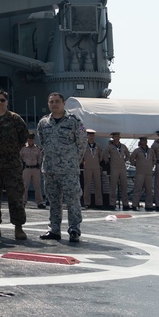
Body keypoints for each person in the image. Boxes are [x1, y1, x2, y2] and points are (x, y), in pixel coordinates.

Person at [37, 92, 87, 242]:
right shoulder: (43, 123)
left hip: (68, 170)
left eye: (57, 101)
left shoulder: (75, 121)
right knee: (53, 201)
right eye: (51, 102)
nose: (54, 104)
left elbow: (82, 143)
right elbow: (43, 143)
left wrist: (72, 161)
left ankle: (74, 229)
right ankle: (54, 229)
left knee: (72, 200)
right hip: (50, 169)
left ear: (63, 103)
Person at [0, 90, 29, 240]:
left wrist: (12, 151)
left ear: (7, 102)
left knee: (15, 196)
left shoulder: (15, 119)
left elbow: (23, 137)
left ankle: (18, 228)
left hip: (12, 165)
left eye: (2, 100)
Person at [101, 132, 131, 210]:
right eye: (115, 136)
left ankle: (125, 203)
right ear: (113, 138)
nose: (116, 138)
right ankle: (112, 203)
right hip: (114, 167)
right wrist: (108, 161)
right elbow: (105, 155)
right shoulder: (110, 147)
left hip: (122, 168)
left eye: (117, 136)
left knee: (124, 186)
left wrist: (125, 160)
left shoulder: (123, 146)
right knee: (113, 186)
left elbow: (128, 155)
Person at [129, 137, 156, 211]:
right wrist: (136, 164)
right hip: (140, 172)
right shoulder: (137, 151)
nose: (144, 142)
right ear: (140, 142)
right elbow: (131, 159)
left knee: (149, 189)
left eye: (145, 140)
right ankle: (134, 204)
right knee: (137, 189)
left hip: (148, 172)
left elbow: (154, 159)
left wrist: (152, 165)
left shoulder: (151, 151)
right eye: (143, 140)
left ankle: (149, 205)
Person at [21, 132, 45, 209]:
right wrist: (22, 165)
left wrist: (39, 163)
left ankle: (39, 202)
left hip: (35, 168)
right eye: (29, 139)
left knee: (37, 186)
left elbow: (40, 156)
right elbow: (20, 157)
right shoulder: (23, 148)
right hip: (26, 168)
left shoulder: (37, 148)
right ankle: (23, 201)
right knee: (25, 186)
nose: (31, 141)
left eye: (32, 139)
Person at [81, 129, 103, 209]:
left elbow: (100, 155)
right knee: (87, 185)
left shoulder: (97, 145)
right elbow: (80, 155)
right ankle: (87, 202)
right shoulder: (84, 145)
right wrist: (82, 162)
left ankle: (99, 202)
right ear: (87, 136)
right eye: (90, 135)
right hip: (87, 167)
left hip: (96, 167)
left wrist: (99, 161)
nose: (91, 137)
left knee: (98, 185)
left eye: (92, 135)